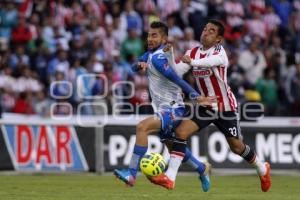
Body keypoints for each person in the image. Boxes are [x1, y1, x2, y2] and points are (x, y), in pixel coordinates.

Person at [149, 19, 271, 192]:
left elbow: (209, 62)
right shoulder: (193, 52)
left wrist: (192, 62)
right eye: (205, 29)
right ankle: (170, 178)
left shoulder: (220, 53)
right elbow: (176, 73)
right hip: (206, 106)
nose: (205, 32)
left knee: (236, 147)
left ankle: (262, 168)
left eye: (211, 31)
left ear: (218, 39)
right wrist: (169, 56)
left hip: (225, 107)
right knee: (181, 132)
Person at [114, 21, 217, 191]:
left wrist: (198, 97)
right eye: (148, 35)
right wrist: (138, 65)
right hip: (164, 109)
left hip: (174, 109)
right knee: (175, 149)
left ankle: (131, 174)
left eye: (154, 35)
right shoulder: (149, 55)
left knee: (142, 127)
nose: (150, 38)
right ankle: (202, 168)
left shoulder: (159, 58)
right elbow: (133, 67)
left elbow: (177, 79)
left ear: (164, 38)